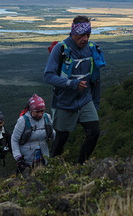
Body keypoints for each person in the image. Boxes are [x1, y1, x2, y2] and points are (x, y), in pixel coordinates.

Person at [43, 15, 106, 164]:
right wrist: (72, 84)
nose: (85, 39)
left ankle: (80, 166)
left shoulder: (92, 49)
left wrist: (95, 104)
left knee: (94, 133)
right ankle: (53, 168)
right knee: (61, 138)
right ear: (73, 33)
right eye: (81, 35)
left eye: (88, 35)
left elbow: (95, 79)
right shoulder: (61, 48)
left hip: (85, 100)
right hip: (64, 102)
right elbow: (48, 76)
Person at [11, 94, 55, 173]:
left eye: (42, 111)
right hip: (26, 159)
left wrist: (59, 144)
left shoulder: (47, 118)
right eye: (37, 112)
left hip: (44, 156)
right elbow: (14, 140)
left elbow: (52, 133)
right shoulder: (22, 121)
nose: (40, 114)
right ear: (31, 110)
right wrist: (18, 157)